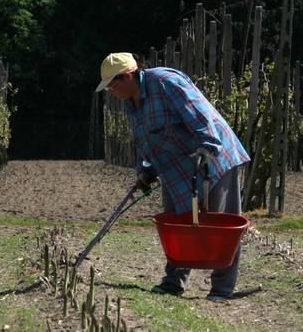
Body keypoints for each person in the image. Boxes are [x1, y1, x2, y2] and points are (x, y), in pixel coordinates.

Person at [96, 52, 250, 301]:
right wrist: (146, 170)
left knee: (221, 223)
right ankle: (174, 281)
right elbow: (146, 141)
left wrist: (208, 146)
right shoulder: (130, 104)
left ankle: (222, 288)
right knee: (178, 224)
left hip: (212, 156)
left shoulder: (165, 82)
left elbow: (200, 113)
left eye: (113, 85)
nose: (111, 91)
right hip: (176, 167)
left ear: (126, 76)